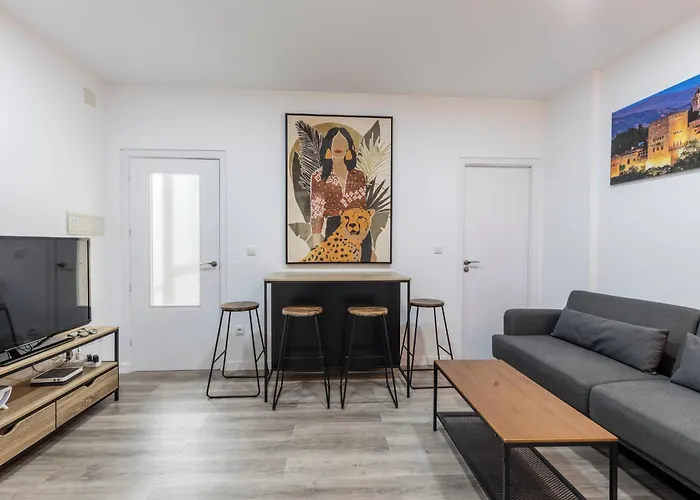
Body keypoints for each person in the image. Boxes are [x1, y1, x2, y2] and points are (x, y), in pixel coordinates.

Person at [309, 127, 372, 261]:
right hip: (335, 230)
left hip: (360, 229)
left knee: (363, 269)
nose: (338, 146)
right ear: (328, 146)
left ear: (349, 146)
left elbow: (362, 207)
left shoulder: (359, 176)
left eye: (343, 142)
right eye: (334, 142)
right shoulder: (318, 177)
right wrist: (316, 243)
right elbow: (317, 211)